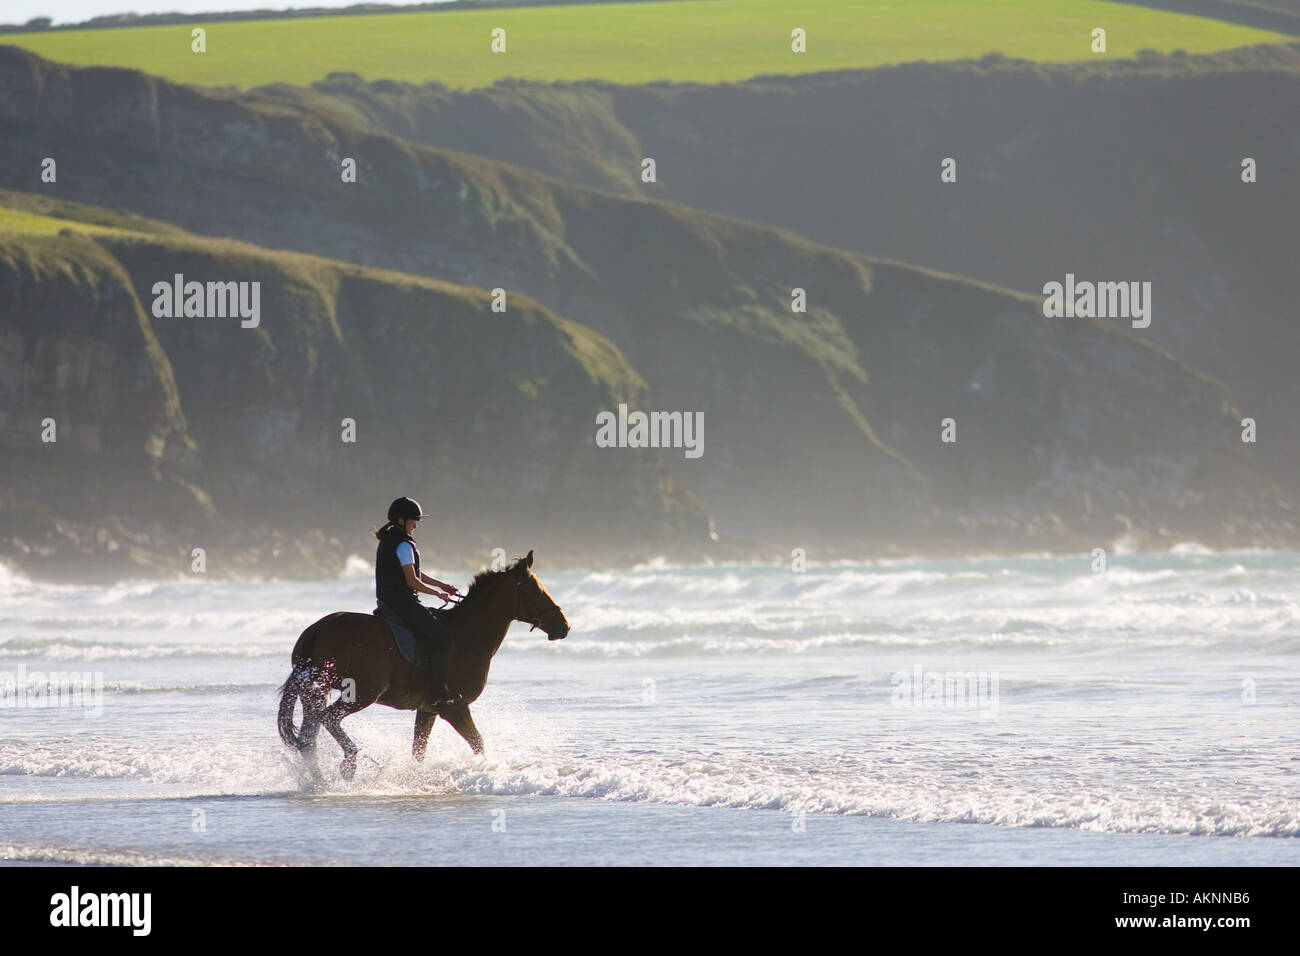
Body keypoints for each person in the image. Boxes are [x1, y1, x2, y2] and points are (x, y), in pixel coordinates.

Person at [374, 496, 462, 707]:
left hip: (391, 601)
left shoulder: (391, 541)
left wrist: (442, 586)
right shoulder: (403, 545)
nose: (416, 525)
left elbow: (417, 575)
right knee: (442, 637)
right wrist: (438, 595)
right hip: (402, 603)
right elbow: (412, 581)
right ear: (401, 520)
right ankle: (437, 691)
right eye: (414, 521)